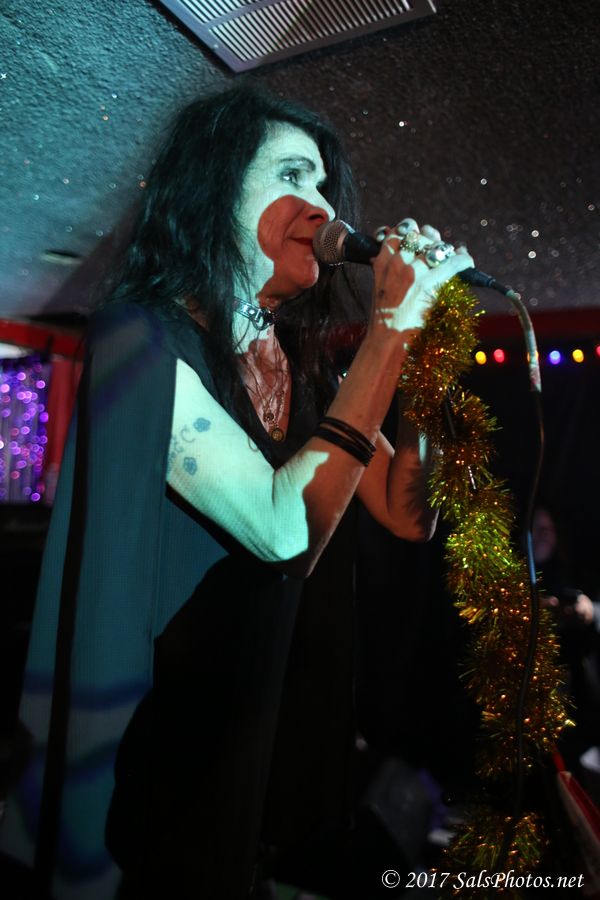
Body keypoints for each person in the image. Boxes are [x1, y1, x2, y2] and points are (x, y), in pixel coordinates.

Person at [0, 84, 474, 899]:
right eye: (292, 174)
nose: (321, 205)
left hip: (261, 734)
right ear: (215, 186)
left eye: (324, 183)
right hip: (160, 756)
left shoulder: (308, 372)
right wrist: (390, 328)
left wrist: (421, 358)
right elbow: (282, 530)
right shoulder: (141, 338)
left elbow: (406, 513)